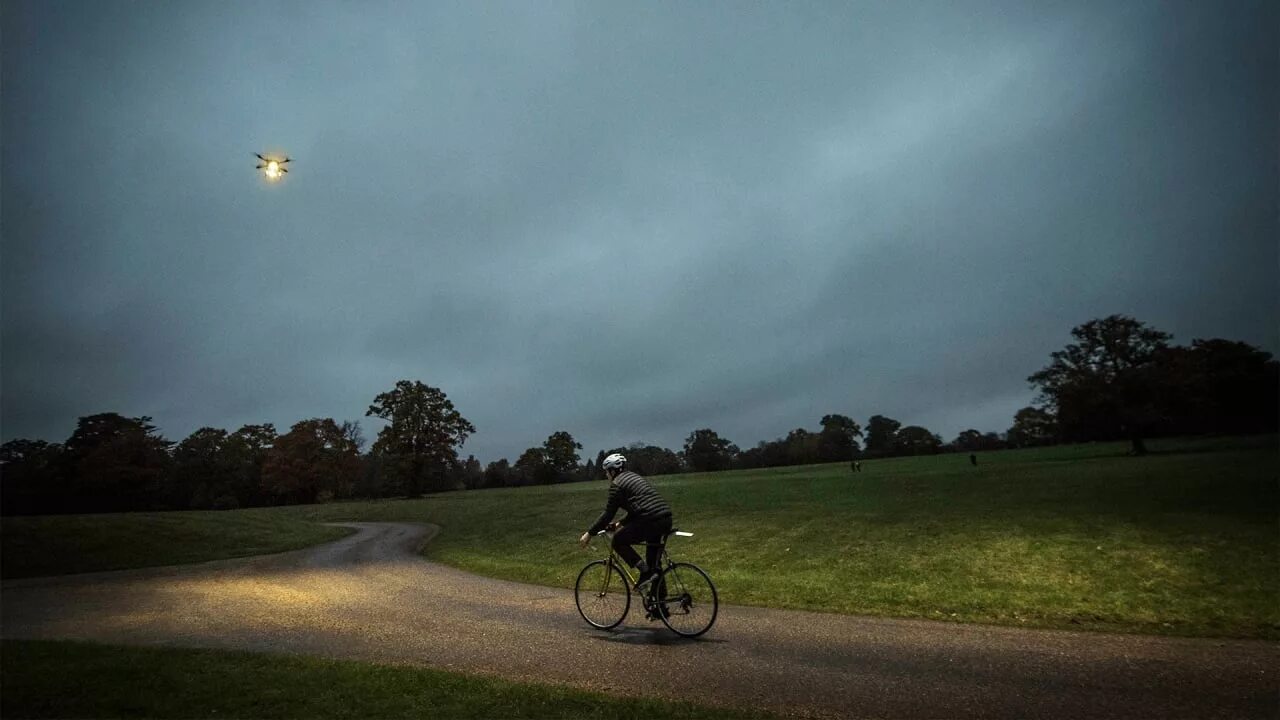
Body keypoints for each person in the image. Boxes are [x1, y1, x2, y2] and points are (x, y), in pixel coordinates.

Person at [578, 453, 673, 591]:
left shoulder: (617, 485)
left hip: (650, 521)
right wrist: (620, 524)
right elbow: (638, 509)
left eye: (606, 472)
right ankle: (659, 607)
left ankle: (645, 572)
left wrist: (589, 534)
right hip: (665, 518)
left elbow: (607, 515)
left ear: (612, 471)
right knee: (654, 566)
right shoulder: (635, 477)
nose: (606, 475)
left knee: (618, 540)